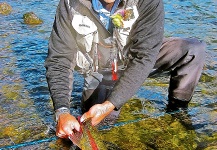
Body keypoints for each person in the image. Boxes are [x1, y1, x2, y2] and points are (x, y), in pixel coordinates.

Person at [45, 0, 206, 140]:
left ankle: (176, 112)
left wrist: (110, 104)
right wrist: (62, 111)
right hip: (102, 69)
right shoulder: (70, 3)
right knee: (95, 126)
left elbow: (144, 58)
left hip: (135, 57)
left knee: (193, 50)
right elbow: (59, 60)